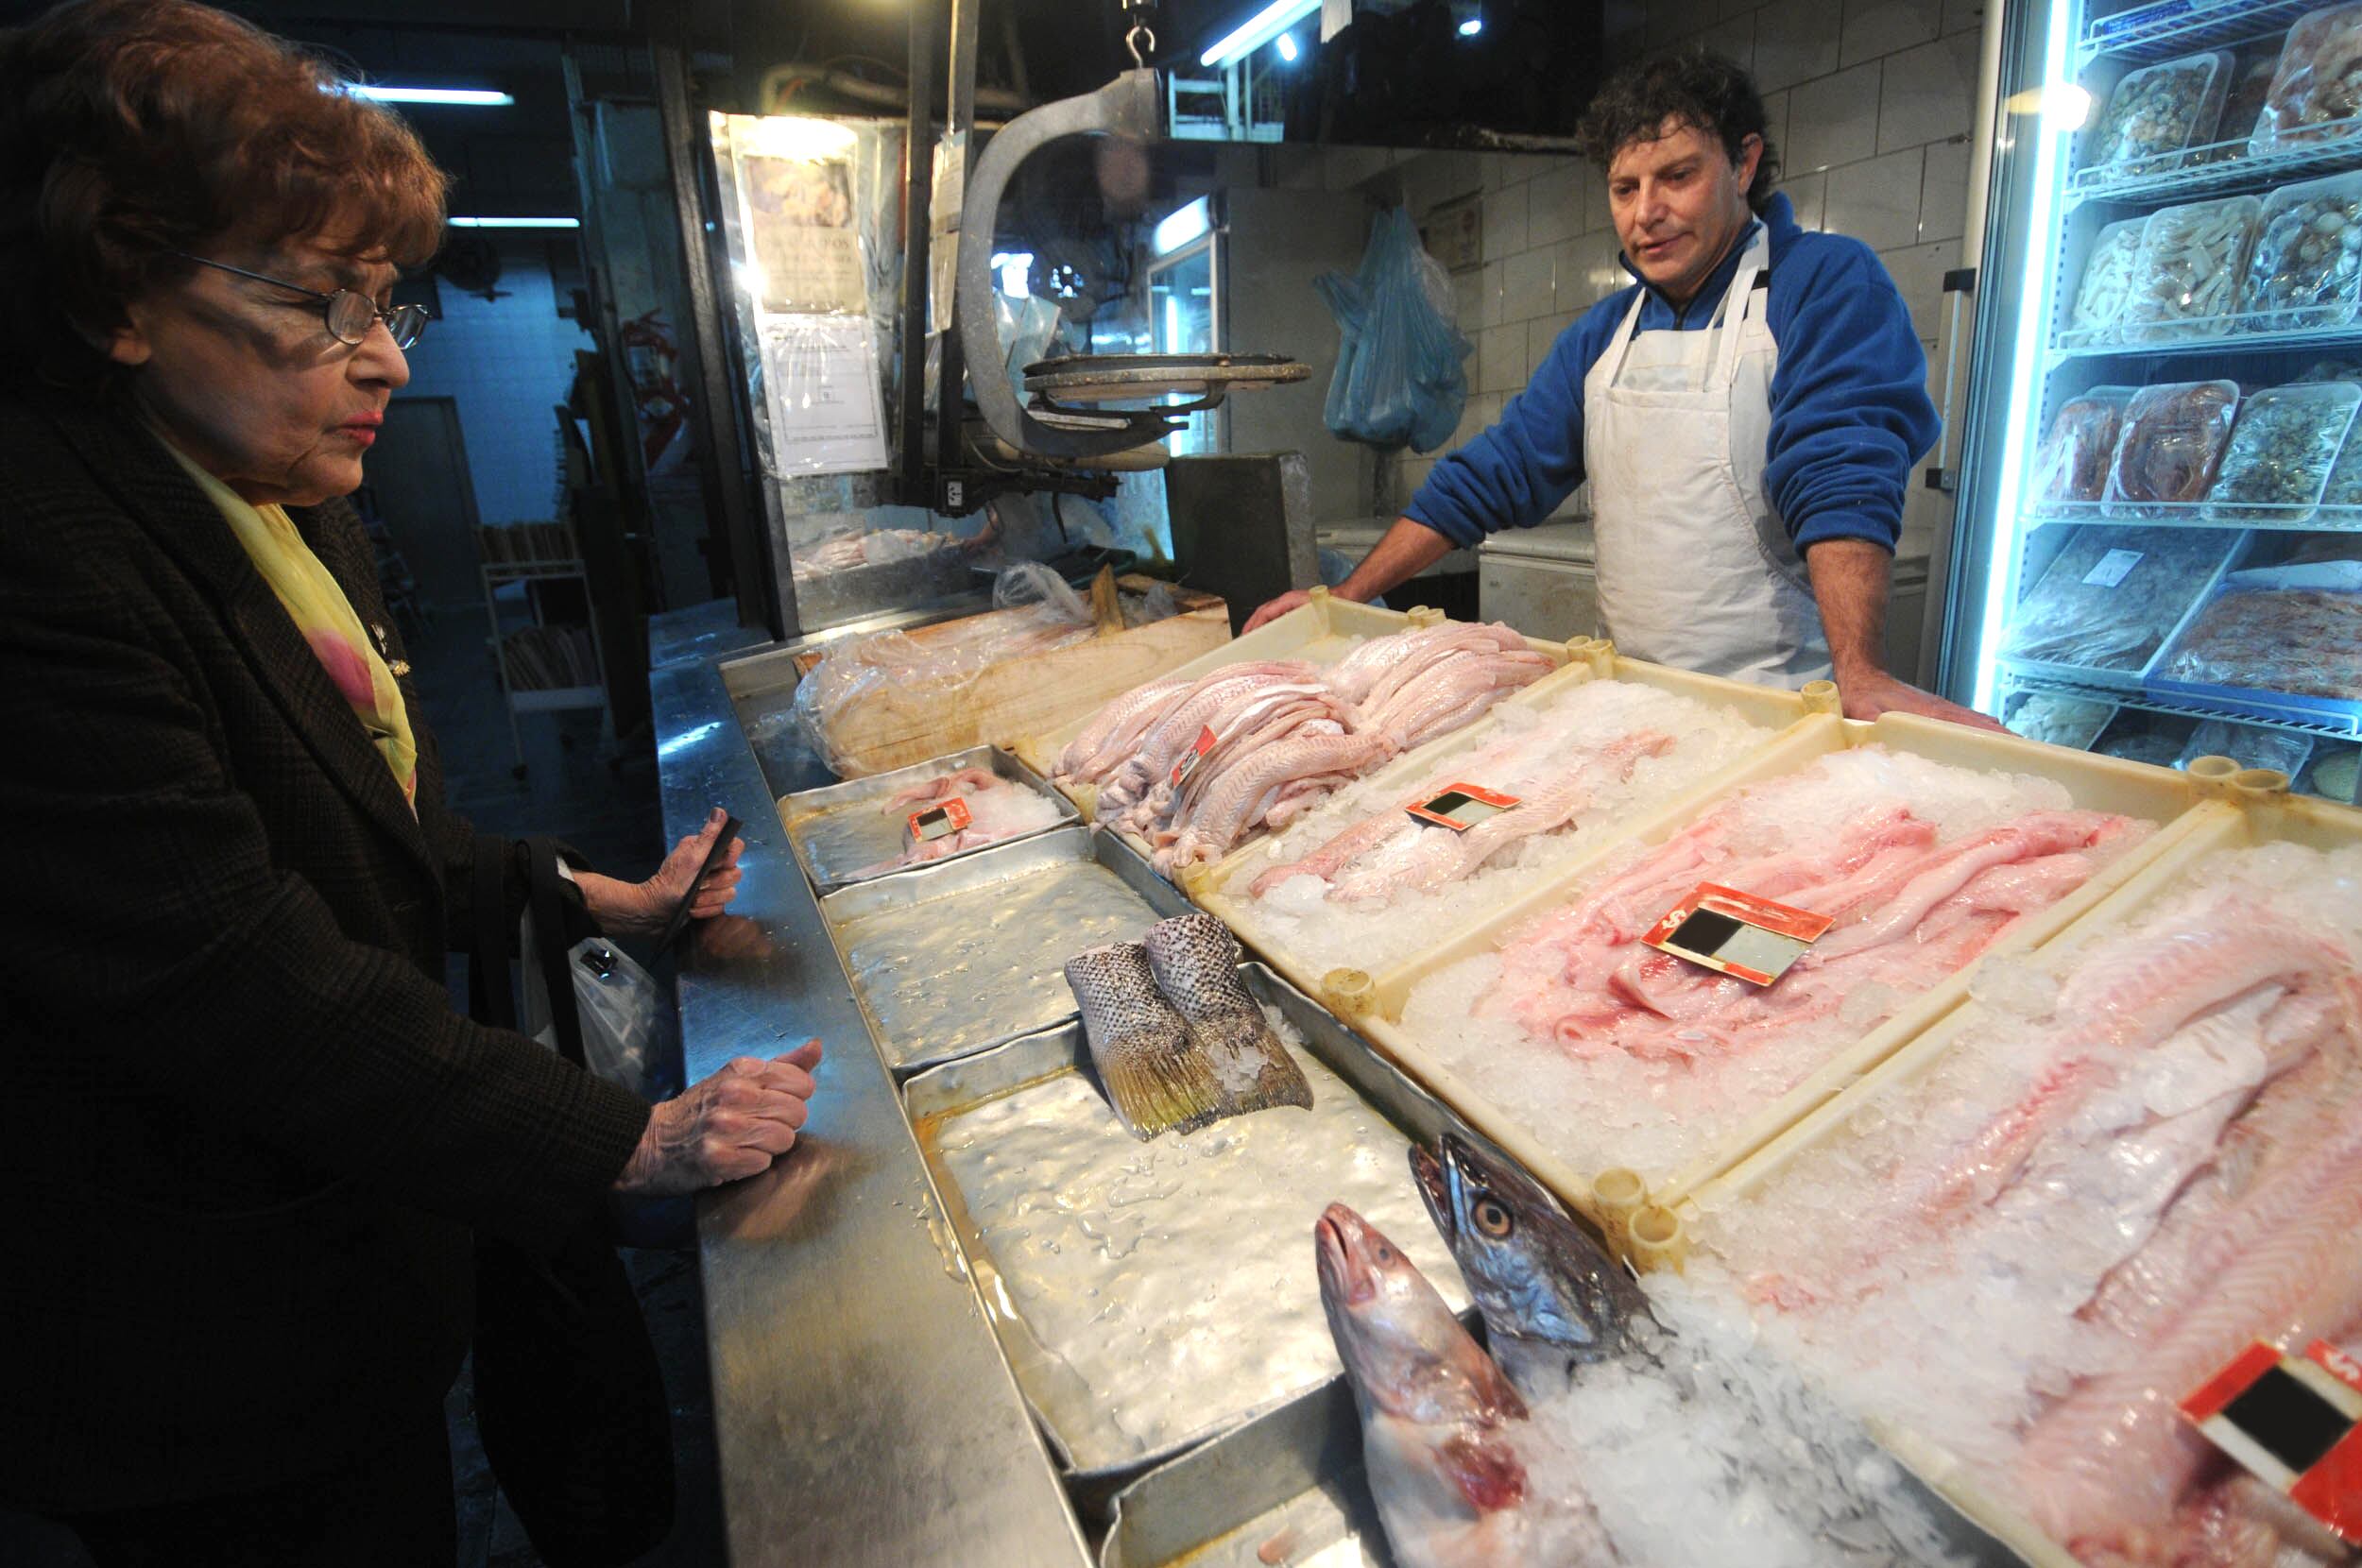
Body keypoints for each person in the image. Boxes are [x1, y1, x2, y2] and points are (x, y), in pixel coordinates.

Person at [0, 2, 825, 1560]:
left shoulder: (280, 496)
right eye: (319, 305)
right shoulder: (49, 557)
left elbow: (363, 826)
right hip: (201, 1345)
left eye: (386, 303)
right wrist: (621, 1140)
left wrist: (593, 892)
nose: (382, 359)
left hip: (356, 1251)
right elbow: (238, 974)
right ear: (119, 292)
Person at [1247, 48, 2000, 729]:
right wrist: (1344, 600)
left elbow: (1839, 467)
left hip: (1785, 709)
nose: (1647, 213)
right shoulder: (1604, 334)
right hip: (1634, 708)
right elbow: (1494, 474)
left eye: (1678, 176)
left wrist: (1860, 674)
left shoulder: (1824, 283)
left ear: (1743, 165)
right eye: (1624, 187)